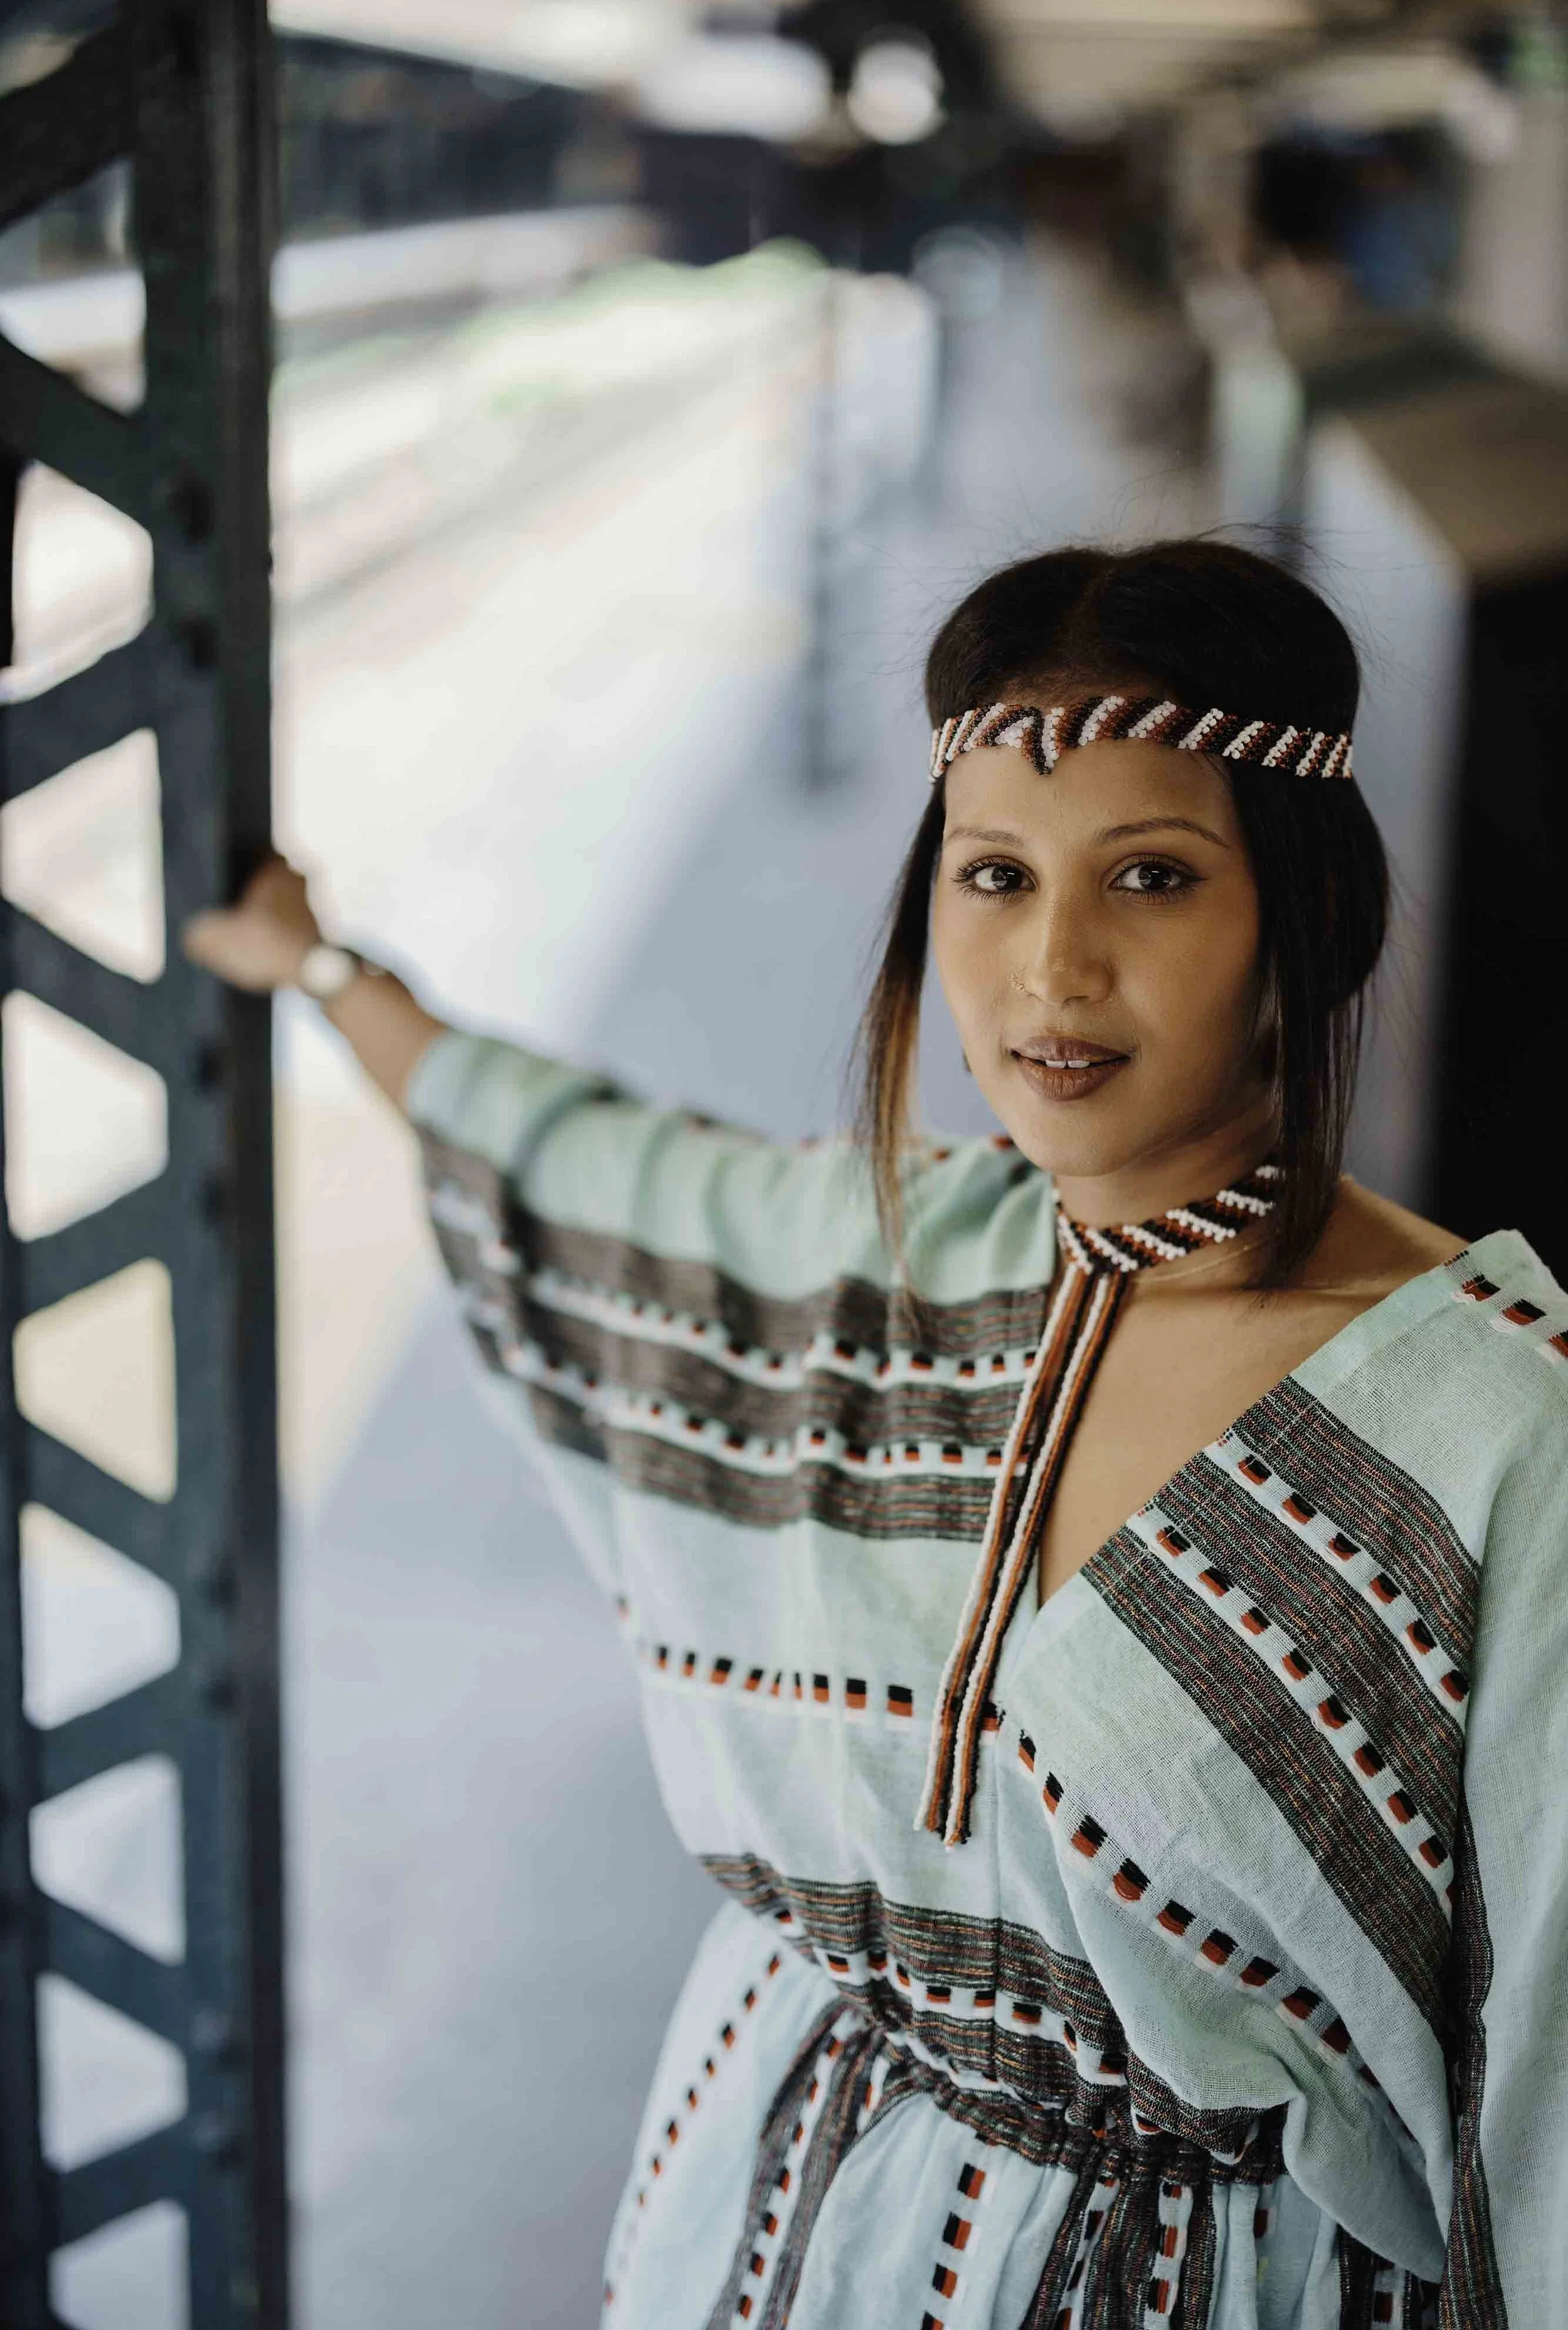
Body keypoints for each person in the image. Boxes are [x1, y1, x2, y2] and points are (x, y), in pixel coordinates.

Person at [187, 538, 1568, 2327]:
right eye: (993, 873)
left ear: (1305, 917)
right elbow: (579, 1164)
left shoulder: (1489, 1423)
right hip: (770, 2230)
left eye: (1150, 875)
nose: (1051, 963)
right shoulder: (885, 1254)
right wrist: (320, 965)